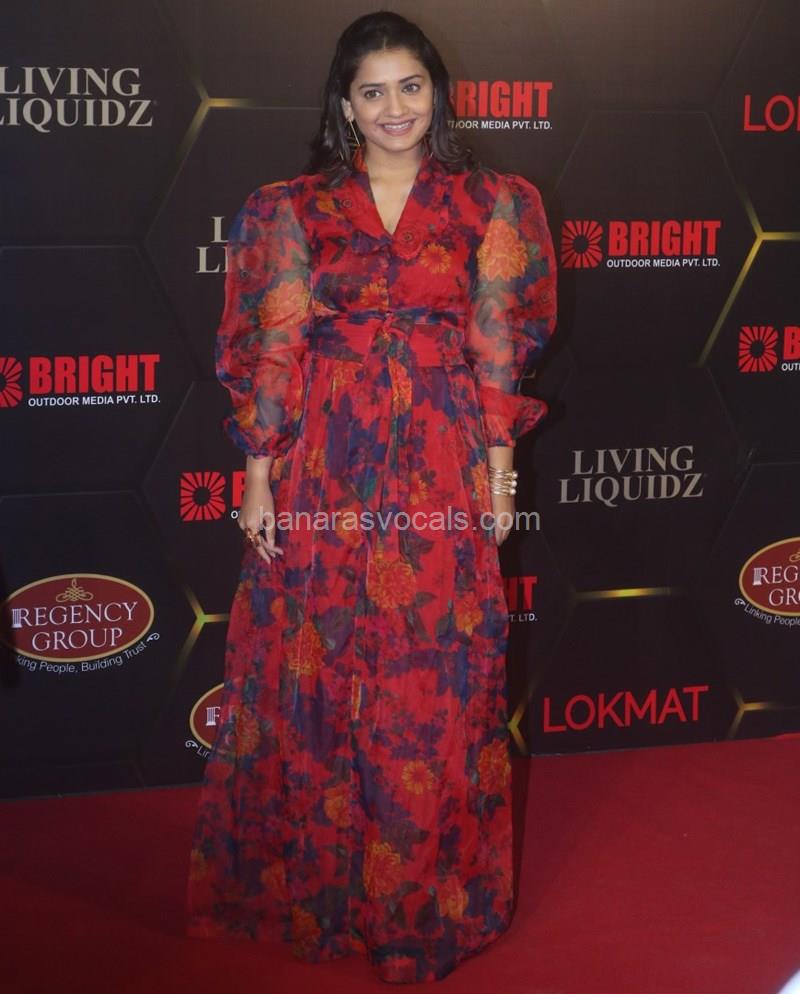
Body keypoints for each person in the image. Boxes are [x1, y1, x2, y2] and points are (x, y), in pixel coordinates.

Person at [186, 10, 557, 985]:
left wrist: (500, 474)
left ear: (436, 92)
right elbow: (272, 348)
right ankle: (331, 894)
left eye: (410, 86)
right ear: (344, 104)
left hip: (440, 458)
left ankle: (424, 902)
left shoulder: (493, 202)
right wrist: (258, 474)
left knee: (436, 682)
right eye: (372, 91)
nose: (394, 107)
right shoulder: (291, 208)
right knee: (322, 667)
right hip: (326, 464)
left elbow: (497, 348)